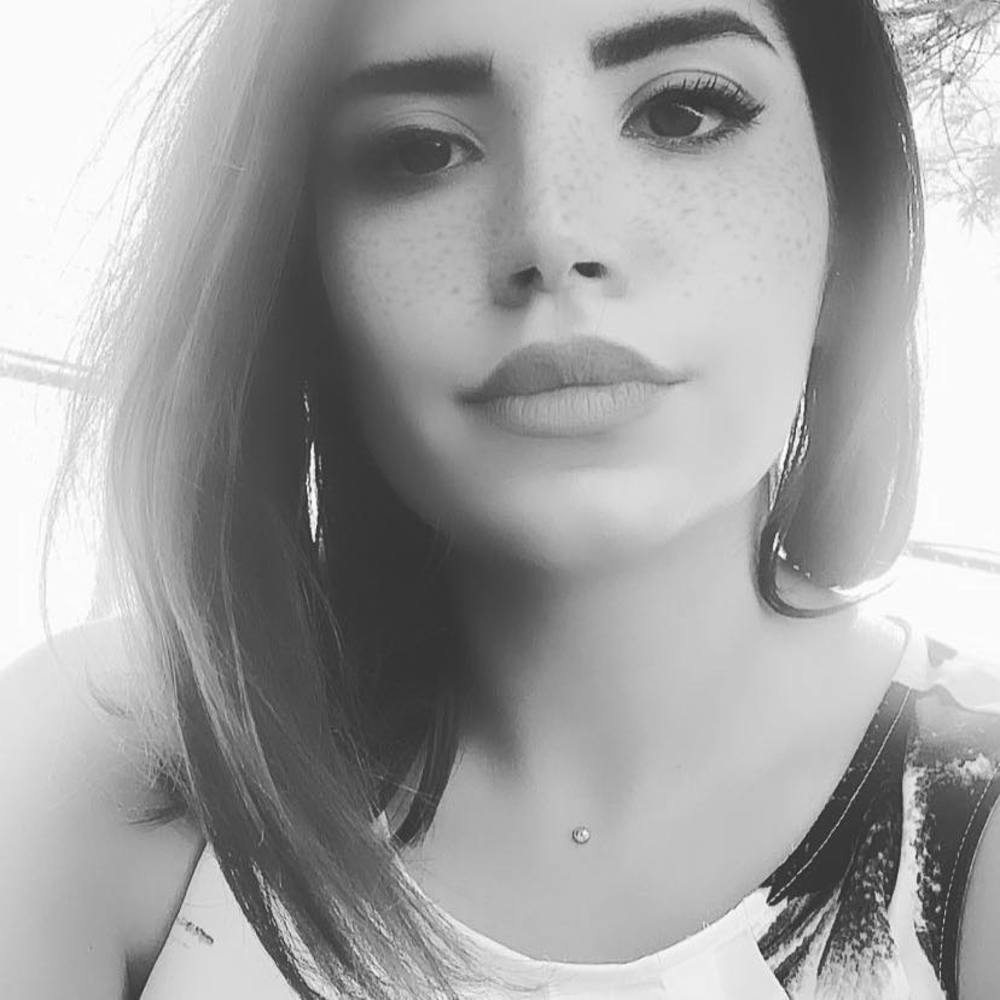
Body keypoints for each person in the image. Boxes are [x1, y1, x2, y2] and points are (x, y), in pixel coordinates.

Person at [2, 0, 999, 997]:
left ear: (849, 225)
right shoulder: (109, 764)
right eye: (422, 149)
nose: (553, 233)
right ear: (300, 270)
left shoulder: (978, 819)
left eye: (680, 113)